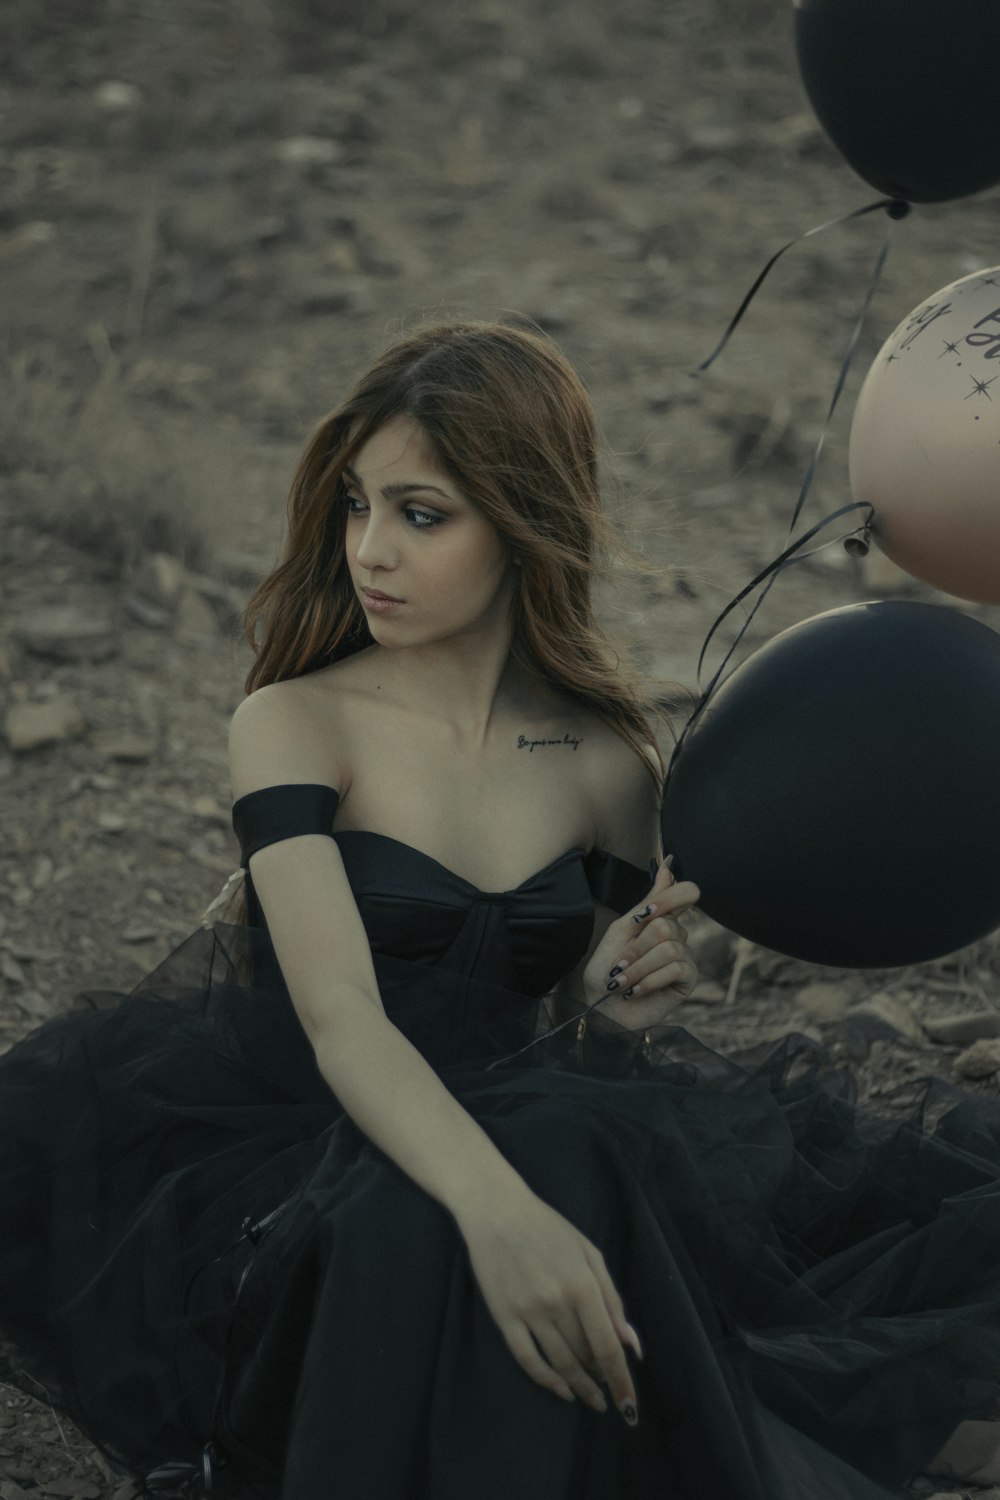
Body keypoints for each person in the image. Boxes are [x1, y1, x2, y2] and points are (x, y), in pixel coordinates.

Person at [2, 320, 1000, 1500]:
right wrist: (499, 1215)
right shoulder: (296, 722)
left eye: (422, 515)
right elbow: (340, 1021)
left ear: (523, 522)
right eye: (359, 505)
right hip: (307, 1159)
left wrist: (612, 1009)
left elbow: (567, 1056)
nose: (372, 550)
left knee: (599, 1156)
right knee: (497, 1186)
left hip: (537, 1151)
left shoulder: (607, 764)